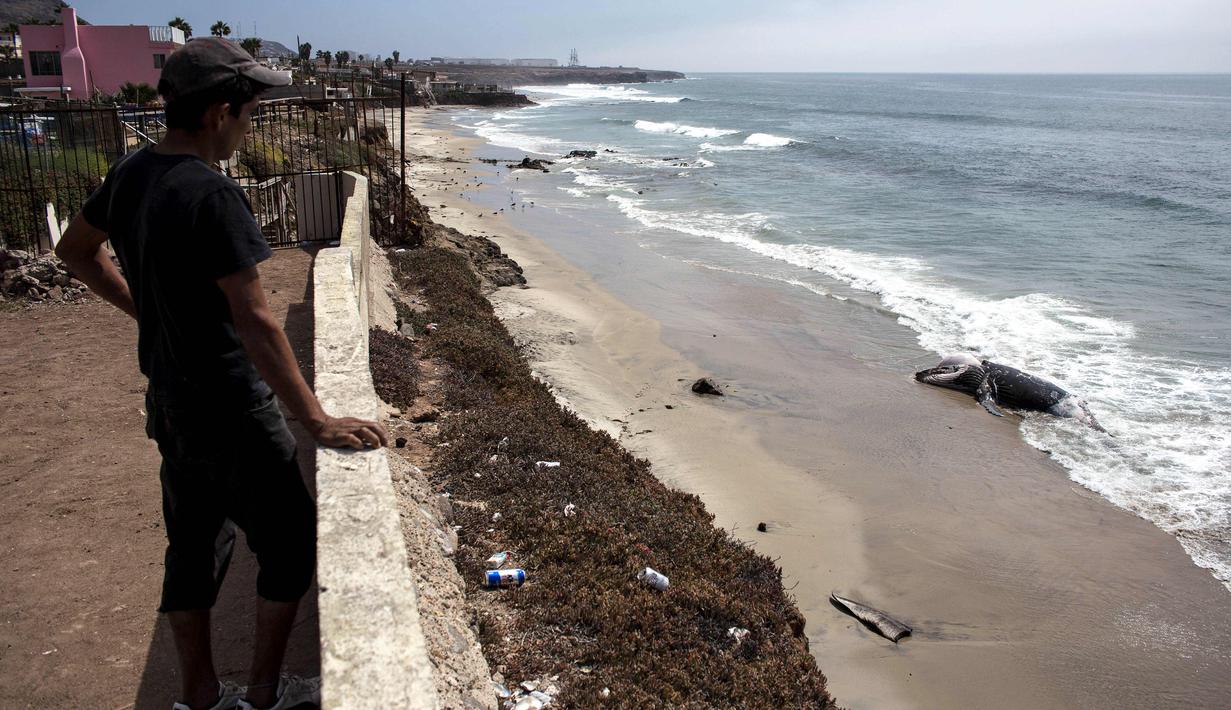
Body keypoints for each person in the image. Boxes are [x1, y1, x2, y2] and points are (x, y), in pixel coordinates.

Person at [54, 37, 389, 710]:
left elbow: (75, 250)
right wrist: (316, 420)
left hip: (171, 404)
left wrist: (146, 312)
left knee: (192, 550)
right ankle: (263, 696)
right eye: (250, 113)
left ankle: (200, 697)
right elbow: (257, 320)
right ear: (218, 114)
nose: (250, 126)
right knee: (290, 546)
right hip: (232, 407)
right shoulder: (212, 193)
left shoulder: (133, 171)